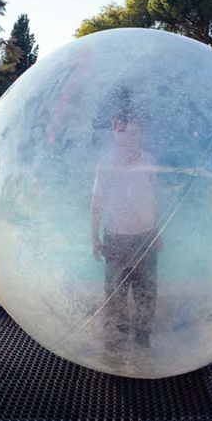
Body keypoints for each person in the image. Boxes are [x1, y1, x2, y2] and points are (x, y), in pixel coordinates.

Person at [91, 107, 162, 354]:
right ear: (115, 133)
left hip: (146, 238)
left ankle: (143, 338)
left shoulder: (149, 161)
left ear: (141, 134)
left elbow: (154, 200)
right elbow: (97, 202)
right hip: (116, 239)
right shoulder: (107, 163)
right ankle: (118, 338)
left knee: (146, 292)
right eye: (124, 133)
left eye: (134, 133)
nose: (129, 138)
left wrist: (158, 232)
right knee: (115, 293)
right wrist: (94, 238)